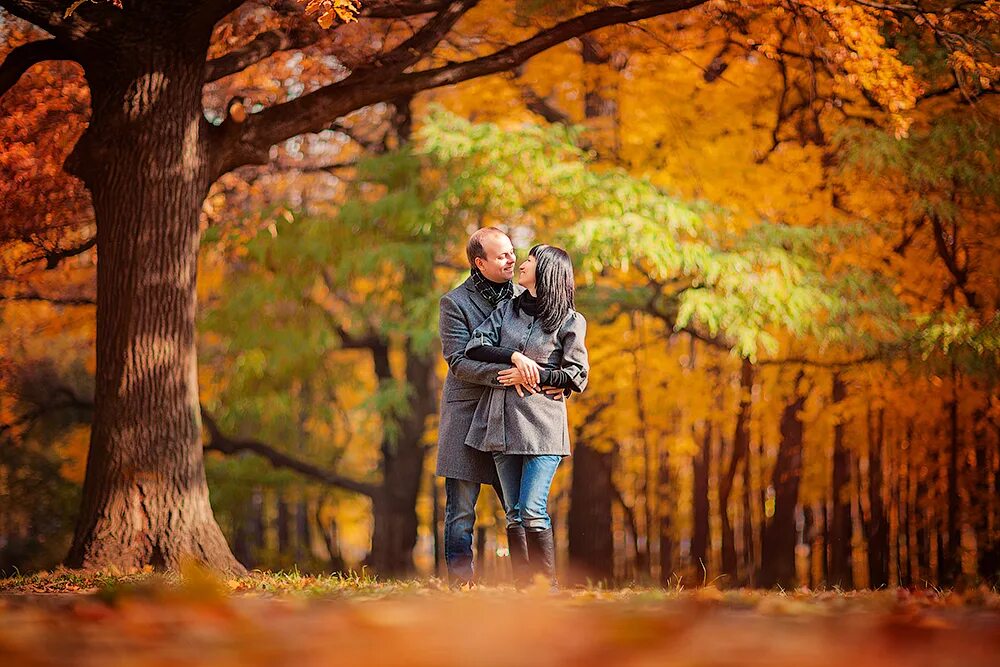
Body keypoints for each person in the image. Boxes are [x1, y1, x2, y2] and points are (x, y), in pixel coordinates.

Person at [436, 228, 564, 586]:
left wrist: (557, 383)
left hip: (515, 416)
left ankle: (531, 587)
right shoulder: (455, 303)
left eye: (512, 253)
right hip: (467, 413)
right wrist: (508, 373)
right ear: (480, 263)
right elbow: (459, 361)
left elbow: (551, 351)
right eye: (502, 255)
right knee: (461, 508)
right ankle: (462, 584)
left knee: (521, 509)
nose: (512, 259)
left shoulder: (526, 296)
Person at [462, 244, 589, 586]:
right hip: (501, 426)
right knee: (515, 515)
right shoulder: (507, 309)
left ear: (546, 270)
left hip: (542, 429)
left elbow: (576, 375)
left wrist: (537, 375)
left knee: (533, 511)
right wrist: (516, 358)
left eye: (530, 259)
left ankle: (545, 590)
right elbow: (475, 346)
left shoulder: (570, 321)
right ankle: (523, 594)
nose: (522, 263)